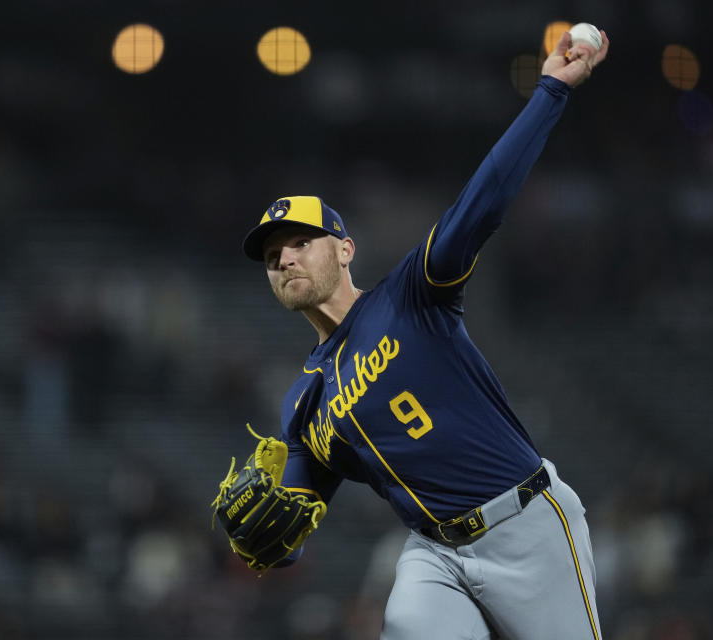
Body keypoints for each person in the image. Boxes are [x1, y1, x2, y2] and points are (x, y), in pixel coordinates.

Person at [237, 29, 610, 640]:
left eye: (302, 242)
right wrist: (266, 542)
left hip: (524, 525)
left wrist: (551, 91)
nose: (284, 259)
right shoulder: (303, 405)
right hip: (434, 553)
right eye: (273, 254)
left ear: (346, 249)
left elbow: (482, 202)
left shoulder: (412, 295)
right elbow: (290, 538)